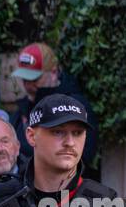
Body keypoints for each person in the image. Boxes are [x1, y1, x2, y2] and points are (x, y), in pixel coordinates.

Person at [10, 43, 101, 179]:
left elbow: (84, 155)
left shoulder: (76, 106)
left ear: (53, 73)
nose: (28, 85)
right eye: (24, 79)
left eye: (34, 79)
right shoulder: (23, 109)